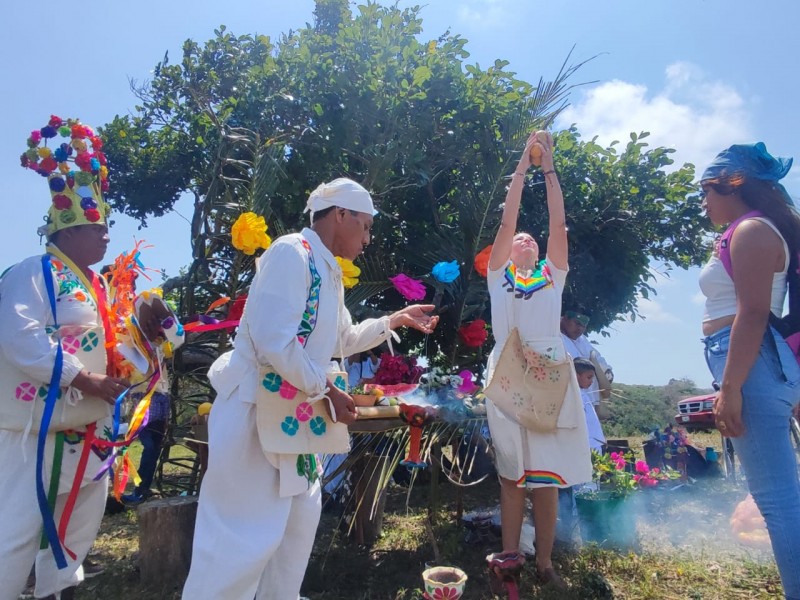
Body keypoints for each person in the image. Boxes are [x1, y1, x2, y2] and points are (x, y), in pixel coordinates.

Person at [182, 178, 439, 600]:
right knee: (242, 541)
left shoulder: (326, 267)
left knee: (294, 534)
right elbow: (273, 341)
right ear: (341, 215)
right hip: (254, 413)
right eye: (366, 226)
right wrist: (328, 390)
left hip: (293, 421)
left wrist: (394, 320)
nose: (368, 239)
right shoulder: (290, 253)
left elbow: (345, 340)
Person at [0, 117, 129, 600]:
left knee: (74, 534)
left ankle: (56, 594)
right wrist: (84, 377)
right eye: (98, 227)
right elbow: (21, 338)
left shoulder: (99, 288)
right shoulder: (32, 272)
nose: (106, 237)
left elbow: (117, 346)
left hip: (90, 430)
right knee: (14, 533)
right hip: (34, 430)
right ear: (69, 230)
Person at [483, 131, 591, 589]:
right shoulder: (496, 277)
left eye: (531, 238)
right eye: (517, 237)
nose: (524, 238)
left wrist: (548, 167)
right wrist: (521, 168)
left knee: (545, 478)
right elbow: (508, 221)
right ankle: (509, 560)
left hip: (547, 370)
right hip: (508, 370)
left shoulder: (552, 276)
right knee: (512, 473)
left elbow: (558, 224)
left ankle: (545, 563)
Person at [698, 142, 800, 600]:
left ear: (730, 185)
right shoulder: (747, 229)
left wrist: (732, 387)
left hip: (751, 362)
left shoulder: (753, 231)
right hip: (752, 361)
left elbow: (755, 312)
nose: (703, 202)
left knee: (778, 500)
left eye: (706, 191)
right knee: (780, 497)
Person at [121, 291, 185, 504]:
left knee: (152, 445)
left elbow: (176, 339)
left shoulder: (163, 345)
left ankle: (141, 489)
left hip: (158, 398)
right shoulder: (130, 340)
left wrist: (167, 324)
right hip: (139, 398)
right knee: (145, 444)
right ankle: (135, 488)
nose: (153, 324)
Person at [560, 309, 614, 416]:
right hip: (568, 402)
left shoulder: (582, 340)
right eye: (577, 323)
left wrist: (607, 372)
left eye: (584, 326)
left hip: (589, 403)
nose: (580, 329)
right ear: (565, 318)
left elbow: (598, 359)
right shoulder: (554, 336)